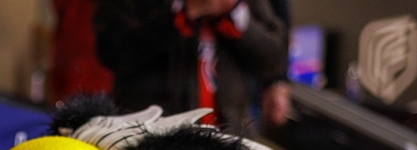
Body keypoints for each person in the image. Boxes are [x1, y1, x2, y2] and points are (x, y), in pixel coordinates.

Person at [95, 0, 288, 135]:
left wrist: (233, 13)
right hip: (152, 137)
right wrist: (183, 15)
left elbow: (275, 58)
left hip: (230, 140)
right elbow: (113, 52)